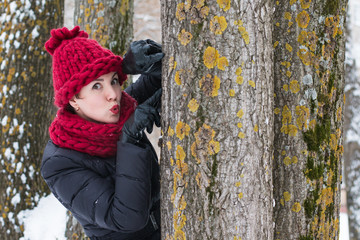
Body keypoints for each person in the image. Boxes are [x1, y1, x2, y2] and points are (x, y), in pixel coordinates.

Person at [40, 26, 164, 240]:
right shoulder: (59, 164)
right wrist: (130, 142)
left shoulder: (118, 112)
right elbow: (126, 219)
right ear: (73, 100)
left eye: (114, 80)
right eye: (97, 86)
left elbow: (160, 79)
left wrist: (141, 62)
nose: (113, 94)